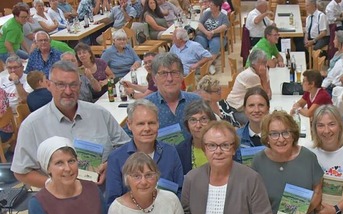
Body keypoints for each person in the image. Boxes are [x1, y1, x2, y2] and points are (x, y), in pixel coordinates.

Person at [12, 60, 129, 188]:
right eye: (61, 85)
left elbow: (126, 147)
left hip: (103, 193)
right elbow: (21, 172)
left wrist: (110, 165)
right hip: (59, 201)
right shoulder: (32, 125)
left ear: (80, 85)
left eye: (73, 85)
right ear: (48, 85)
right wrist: (54, 185)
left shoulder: (100, 114)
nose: (68, 91)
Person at [106, 100, 184, 205]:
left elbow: (180, 190)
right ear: (129, 125)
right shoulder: (116, 158)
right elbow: (113, 201)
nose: (147, 128)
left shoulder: (170, 152)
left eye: (151, 123)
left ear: (158, 123)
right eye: (141, 124)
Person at [143, 53, 201, 174]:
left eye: (174, 73)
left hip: (194, 167)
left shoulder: (196, 101)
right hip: (159, 169)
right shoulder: (144, 107)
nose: (170, 79)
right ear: (154, 79)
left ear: (182, 76)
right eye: (164, 73)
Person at [226, 49, 272, 126]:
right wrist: (264, 78)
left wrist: (265, 76)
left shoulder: (257, 72)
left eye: (265, 62)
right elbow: (265, 98)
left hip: (243, 108)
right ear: (254, 64)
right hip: (236, 111)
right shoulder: (251, 76)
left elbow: (269, 95)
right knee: (265, 122)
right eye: (262, 63)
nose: (265, 65)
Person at [235, 87, 269, 163]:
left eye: (261, 105)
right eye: (251, 105)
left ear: (268, 108)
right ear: (245, 109)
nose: (256, 110)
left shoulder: (276, 137)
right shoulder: (236, 138)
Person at [184, 99, 217, 169]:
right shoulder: (180, 151)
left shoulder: (223, 147)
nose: (198, 125)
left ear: (212, 121)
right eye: (193, 120)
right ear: (187, 124)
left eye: (203, 119)